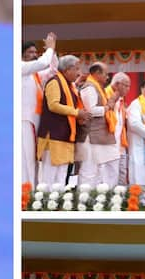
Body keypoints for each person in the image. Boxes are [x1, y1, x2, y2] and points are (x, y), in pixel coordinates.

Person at [37, 55, 91, 187]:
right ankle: (45, 206)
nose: (79, 73)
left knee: (61, 177)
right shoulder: (54, 82)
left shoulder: (70, 86)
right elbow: (53, 105)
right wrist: (76, 112)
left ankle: (57, 205)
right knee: (49, 178)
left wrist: (80, 117)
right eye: (76, 69)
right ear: (67, 69)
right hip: (53, 137)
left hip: (65, 136)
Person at [75, 62, 121, 186]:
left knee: (98, 170)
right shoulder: (89, 87)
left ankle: (95, 200)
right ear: (96, 73)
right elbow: (91, 110)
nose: (107, 77)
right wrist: (107, 107)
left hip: (98, 135)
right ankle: (83, 202)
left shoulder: (97, 87)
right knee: (88, 171)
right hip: (90, 136)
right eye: (106, 74)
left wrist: (111, 101)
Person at [22, 33, 58, 186]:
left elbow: (52, 69)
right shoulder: (20, 67)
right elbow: (43, 63)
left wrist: (52, 51)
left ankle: (31, 191)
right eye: (30, 52)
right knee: (25, 160)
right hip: (23, 121)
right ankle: (24, 194)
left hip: (34, 122)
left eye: (35, 52)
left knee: (33, 159)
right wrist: (49, 49)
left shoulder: (33, 74)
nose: (34, 55)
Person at [106, 72, 131, 185]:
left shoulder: (121, 100)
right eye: (126, 85)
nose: (128, 89)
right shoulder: (106, 95)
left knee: (122, 174)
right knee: (110, 175)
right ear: (116, 84)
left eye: (129, 86)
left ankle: (120, 200)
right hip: (109, 142)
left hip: (120, 144)